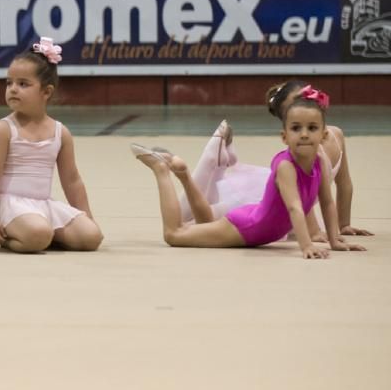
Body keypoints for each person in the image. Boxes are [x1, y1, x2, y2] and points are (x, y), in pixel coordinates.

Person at [132, 90, 366, 259]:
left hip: (257, 222)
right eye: (296, 128)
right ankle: (162, 170)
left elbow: (327, 202)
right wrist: (306, 246)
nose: (304, 134)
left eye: (312, 128)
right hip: (248, 228)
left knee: (203, 221)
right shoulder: (285, 165)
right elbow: (295, 207)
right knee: (175, 234)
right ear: (284, 136)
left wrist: (335, 240)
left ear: (323, 136)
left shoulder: (319, 163)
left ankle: (185, 173)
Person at [181, 80, 372, 238]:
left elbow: (344, 184)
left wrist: (344, 224)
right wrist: (313, 232)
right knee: (194, 220)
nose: (307, 101)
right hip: (270, 199)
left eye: (308, 95)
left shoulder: (335, 135)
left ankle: (218, 163)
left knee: (196, 218)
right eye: (300, 101)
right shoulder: (306, 148)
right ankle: (209, 162)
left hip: (285, 200)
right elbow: (304, 193)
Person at [0, 37, 103, 253]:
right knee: (38, 234)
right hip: (9, 205)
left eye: (23, 84)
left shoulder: (61, 133)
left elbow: (72, 180)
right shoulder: (4, 130)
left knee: (92, 237)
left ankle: (42, 235)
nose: (13, 89)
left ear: (46, 92)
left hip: (43, 205)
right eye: (9, 82)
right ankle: (12, 238)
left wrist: (86, 216)